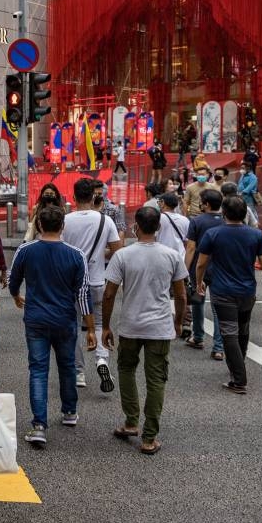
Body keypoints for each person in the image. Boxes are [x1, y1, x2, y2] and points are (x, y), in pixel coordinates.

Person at [102, 207, 187, 455]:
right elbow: (180, 294)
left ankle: (131, 421)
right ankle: (149, 437)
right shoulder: (171, 255)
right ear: (159, 227)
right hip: (160, 326)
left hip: (130, 324)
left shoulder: (123, 256)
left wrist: (106, 325)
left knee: (126, 369)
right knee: (156, 379)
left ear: (135, 227)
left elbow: (109, 294)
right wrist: (178, 321)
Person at [9, 205, 94, 447]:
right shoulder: (76, 255)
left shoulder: (26, 250)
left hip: (36, 318)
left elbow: (14, 279)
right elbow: (83, 293)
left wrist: (16, 295)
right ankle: (69, 411)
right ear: (63, 227)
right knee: (67, 365)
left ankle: (38, 425)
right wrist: (90, 327)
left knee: (38, 369)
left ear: (39, 225)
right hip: (65, 319)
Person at [195, 196, 262, 395]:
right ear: (244, 214)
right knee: (242, 329)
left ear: (224, 212)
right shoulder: (255, 235)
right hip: (247, 291)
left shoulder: (213, 233)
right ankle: (238, 365)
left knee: (228, 333)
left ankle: (239, 378)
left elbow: (201, 263)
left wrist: (199, 282)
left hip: (222, 290)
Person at [62, 178, 121, 391]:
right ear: (94, 197)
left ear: (74, 197)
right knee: (99, 324)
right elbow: (117, 250)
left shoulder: (66, 220)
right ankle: (102, 360)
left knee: (74, 327)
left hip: (71, 283)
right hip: (97, 280)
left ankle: (79, 373)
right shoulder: (105, 221)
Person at [184, 189, 225, 359]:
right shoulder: (225, 221)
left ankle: (198, 337)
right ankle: (218, 347)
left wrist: (185, 269)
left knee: (198, 302)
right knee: (218, 308)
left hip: (198, 267)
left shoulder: (196, 221)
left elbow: (191, 248)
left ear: (206, 204)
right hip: (219, 268)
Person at [156, 193, 189, 257]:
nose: (158, 204)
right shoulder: (185, 220)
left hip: (162, 255)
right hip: (180, 256)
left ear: (163, 202)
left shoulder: (157, 218)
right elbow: (187, 242)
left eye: (159, 202)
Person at [93, 180, 126, 244]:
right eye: (94, 194)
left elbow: (121, 230)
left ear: (103, 193)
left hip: (109, 248)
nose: (97, 196)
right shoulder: (87, 210)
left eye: (99, 194)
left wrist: (117, 251)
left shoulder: (114, 209)